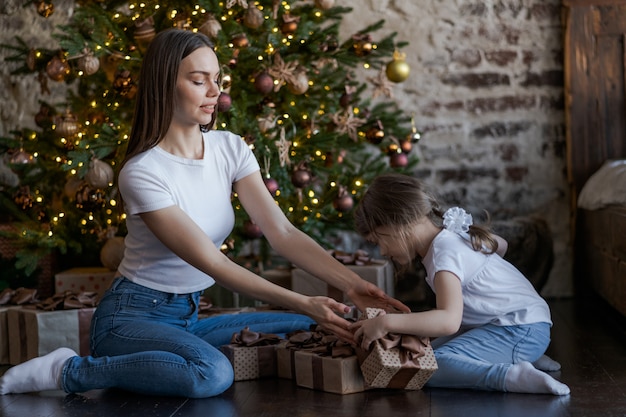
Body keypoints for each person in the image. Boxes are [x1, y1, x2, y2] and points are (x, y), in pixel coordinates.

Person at [0, 29, 407, 398]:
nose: (214, 91)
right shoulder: (142, 173)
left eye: (217, 79)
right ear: (165, 85)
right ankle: (68, 370)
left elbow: (281, 231)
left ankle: (177, 349)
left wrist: (352, 285)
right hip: (132, 317)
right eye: (199, 81)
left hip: (192, 313)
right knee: (211, 375)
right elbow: (212, 261)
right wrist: (304, 300)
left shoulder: (230, 148)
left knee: (317, 323)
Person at [349, 173, 570, 395]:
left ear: (397, 224)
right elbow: (500, 246)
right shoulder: (451, 238)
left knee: (430, 368)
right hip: (520, 323)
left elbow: (448, 321)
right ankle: (518, 353)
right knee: (423, 352)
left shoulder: (444, 254)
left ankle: (511, 375)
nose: (383, 251)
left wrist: (386, 322)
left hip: (520, 329)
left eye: (378, 241)